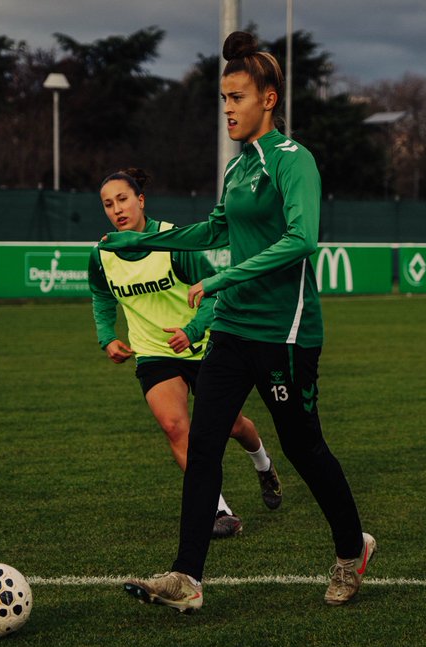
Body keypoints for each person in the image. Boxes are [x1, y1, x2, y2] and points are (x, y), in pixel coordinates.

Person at [103, 31, 374, 613]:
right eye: (223, 98)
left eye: (237, 97)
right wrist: (146, 239)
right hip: (233, 327)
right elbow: (217, 229)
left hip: (286, 331)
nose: (227, 108)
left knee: (304, 448)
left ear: (268, 100)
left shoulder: (292, 161)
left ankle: (352, 552)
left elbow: (303, 240)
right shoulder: (237, 169)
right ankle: (186, 577)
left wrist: (224, 279)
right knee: (203, 444)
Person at [90, 167, 283, 539]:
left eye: (123, 199)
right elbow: (101, 295)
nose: (117, 209)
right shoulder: (103, 253)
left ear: (141, 200)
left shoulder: (174, 241)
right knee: (176, 427)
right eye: (108, 204)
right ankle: (219, 510)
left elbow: (213, 294)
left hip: (203, 344)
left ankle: (263, 464)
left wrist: (191, 331)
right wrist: (106, 337)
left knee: (233, 426)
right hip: (153, 353)